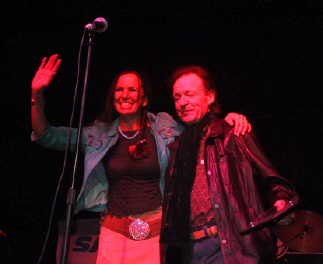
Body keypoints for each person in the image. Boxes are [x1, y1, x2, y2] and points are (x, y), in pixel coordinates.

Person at [31, 55, 251, 264]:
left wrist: (227, 121)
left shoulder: (165, 127)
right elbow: (46, 135)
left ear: (144, 99)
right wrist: (36, 96)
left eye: (132, 89)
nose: (124, 94)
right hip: (112, 233)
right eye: (119, 89)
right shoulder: (97, 134)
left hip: (155, 233)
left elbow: (197, 122)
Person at [160, 65, 298, 264]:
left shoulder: (234, 134)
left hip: (230, 248)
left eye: (189, 94)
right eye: (177, 97)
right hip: (189, 251)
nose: (182, 102)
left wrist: (282, 200)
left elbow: (274, 180)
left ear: (210, 97)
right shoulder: (176, 149)